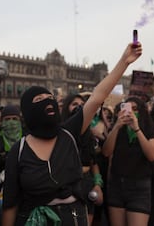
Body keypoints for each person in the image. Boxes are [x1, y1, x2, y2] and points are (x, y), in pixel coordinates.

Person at [1, 40, 142, 226]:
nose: (48, 102)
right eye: (39, 99)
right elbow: (10, 205)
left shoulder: (68, 133)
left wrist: (124, 61)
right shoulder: (18, 152)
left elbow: (97, 97)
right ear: (27, 110)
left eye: (50, 98)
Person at [102, 97, 154, 226]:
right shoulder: (119, 129)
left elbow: (151, 155)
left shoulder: (150, 130)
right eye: (127, 108)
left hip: (139, 187)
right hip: (117, 185)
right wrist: (117, 126)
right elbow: (106, 152)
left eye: (135, 109)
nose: (131, 112)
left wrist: (137, 129)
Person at [60, 94, 104, 225]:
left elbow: (93, 162)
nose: (79, 108)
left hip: (86, 184)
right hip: (67, 186)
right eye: (74, 104)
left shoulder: (89, 135)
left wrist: (97, 185)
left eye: (82, 105)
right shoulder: (59, 132)